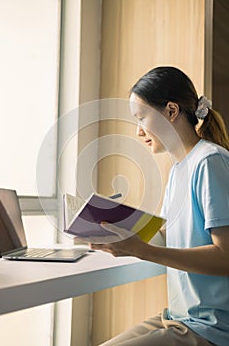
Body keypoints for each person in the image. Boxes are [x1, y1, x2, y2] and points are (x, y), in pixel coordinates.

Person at [80, 66, 229, 345]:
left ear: (171, 111)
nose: (138, 131)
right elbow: (169, 235)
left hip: (213, 328)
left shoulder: (209, 161)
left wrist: (142, 249)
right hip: (179, 317)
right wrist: (122, 233)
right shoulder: (178, 169)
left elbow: (226, 256)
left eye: (141, 118)